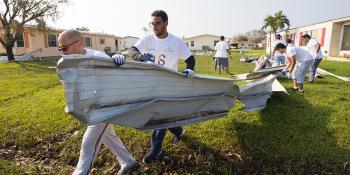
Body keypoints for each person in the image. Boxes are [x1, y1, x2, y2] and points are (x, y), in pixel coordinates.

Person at [57, 30, 137, 175]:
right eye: (60, 49)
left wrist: (117, 62)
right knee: (108, 136)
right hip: (89, 107)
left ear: (79, 43)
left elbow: (118, 81)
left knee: (89, 143)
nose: (62, 53)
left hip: (105, 107)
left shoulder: (99, 57)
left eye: (64, 48)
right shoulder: (65, 63)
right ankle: (128, 161)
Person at [128, 10, 196, 164]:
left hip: (170, 84)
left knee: (159, 116)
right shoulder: (147, 39)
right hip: (151, 84)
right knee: (162, 115)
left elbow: (190, 58)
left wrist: (189, 69)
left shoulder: (176, 41)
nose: (154, 26)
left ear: (166, 23)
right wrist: (140, 57)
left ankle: (156, 149)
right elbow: (132, 50)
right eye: (152, 23)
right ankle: (178, 130)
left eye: (158, 23)